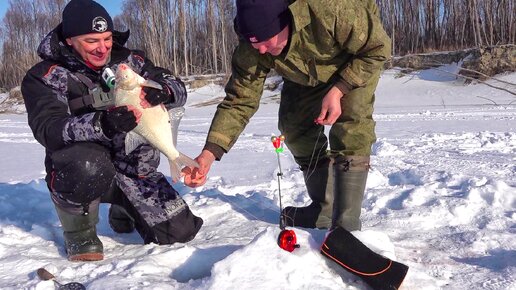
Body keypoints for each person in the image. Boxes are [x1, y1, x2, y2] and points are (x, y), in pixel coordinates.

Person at [183, 0, 391, 232]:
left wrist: (340, 88)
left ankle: (346, 224)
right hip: (303, 72)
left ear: (285, 21)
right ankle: (324, 208)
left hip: (356, 57)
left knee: (351, 123)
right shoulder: (253, 46)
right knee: (294, 126)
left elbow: (377, 48)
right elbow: (240, 99)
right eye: (255, 43)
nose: (261, 49)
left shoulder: (330, 9)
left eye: (265, 40)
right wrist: (210, 153)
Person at [21, 0, 202, 262]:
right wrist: (102, 125)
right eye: (92, 40)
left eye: (107, 38)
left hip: (135, 169)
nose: (103, 47)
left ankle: (125, 206)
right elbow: (48, 129)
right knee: (86, 165)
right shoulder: (45, 75)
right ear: (71, 40)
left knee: (180, 232)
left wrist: (165, 90)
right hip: (86, 169)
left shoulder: (131, 62)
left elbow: (178, 87)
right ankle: (79, 231)